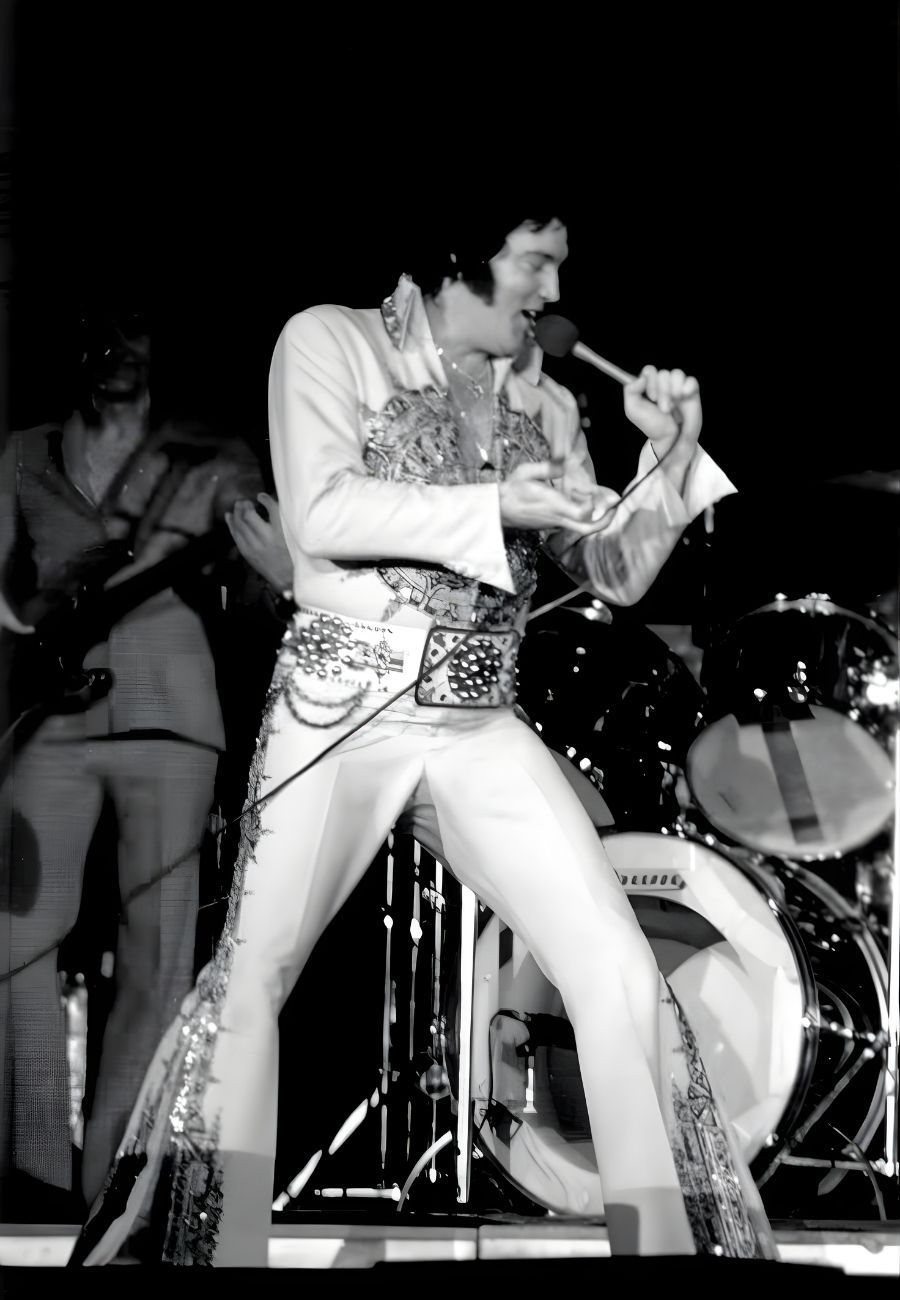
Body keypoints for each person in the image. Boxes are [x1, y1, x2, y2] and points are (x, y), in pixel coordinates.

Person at [68, 206, 777, 1268]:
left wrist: (667, 464)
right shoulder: (329, 341)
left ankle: (666, 1253)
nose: (550, 292)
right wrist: (498, 503)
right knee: (253, 976)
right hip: (343, 707)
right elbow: (321, 514)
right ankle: (213, 1256)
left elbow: (614, 573)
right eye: (533, 263)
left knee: (620, 973)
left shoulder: (544, 401)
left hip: (477, 720)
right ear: (460, 259)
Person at [0, 308, 269, 1218]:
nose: (115, 350)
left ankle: (115, 1184)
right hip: (50, 710)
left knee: (157, 952)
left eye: (132, 333)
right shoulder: (26, 450)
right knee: (15, 936)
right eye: (98, 333)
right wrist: (22, 630)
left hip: (169, 708)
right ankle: (34, 1166)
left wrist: (264, 575)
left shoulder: (210, 454)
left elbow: (259, 583)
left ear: (160, 346)